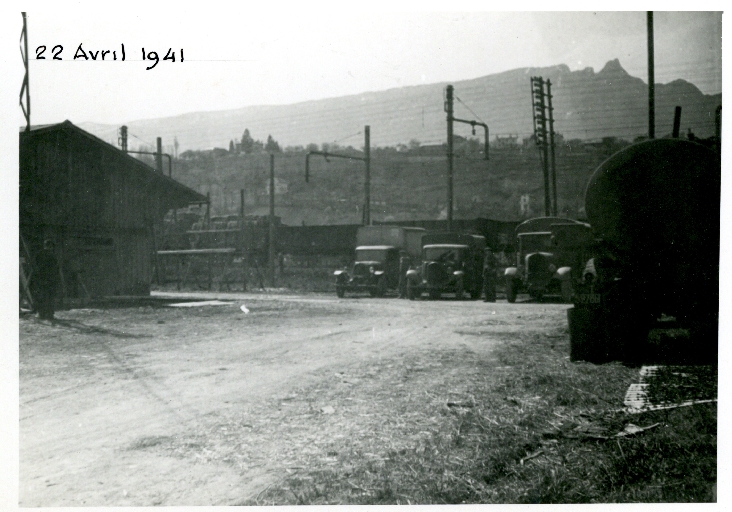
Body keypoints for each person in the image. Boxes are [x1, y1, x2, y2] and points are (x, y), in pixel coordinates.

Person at [32, 239, 60, 320]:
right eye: (49, 246)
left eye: (51, 246)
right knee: (46, 296)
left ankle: (47, 314)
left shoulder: (49, 255)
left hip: (47, 279)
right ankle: (45, 314)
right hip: (45, 279)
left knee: (46, 296)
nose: (50, 248)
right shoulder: (43, 255)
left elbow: (55, 268)